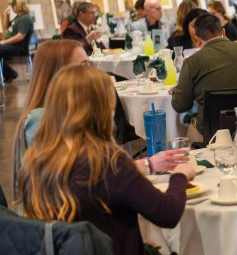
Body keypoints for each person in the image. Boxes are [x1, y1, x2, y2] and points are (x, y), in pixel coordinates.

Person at [18, 65, 194, 255]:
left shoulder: (37, 160)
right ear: (104, 108)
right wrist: (180, 176)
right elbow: (167, 214)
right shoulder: (109, 163)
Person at [12, 39, 188, 198]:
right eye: (83, 66)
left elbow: (98, 172)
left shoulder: (65, 114)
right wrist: (151, 166)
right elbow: (88, 176)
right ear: (61, 75)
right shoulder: (41, 120)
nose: (91, 71)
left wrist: (149, 164)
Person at [171, 13, 237, 135]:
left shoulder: (192, 62)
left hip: (209, 133)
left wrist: (176, 91)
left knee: (186, 131)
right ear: (223, 31)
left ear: (197, 37)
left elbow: (180, 105)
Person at [0, 0, 34, 82]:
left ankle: (10, 74)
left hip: (18, 47)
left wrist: (4, 42)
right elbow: (6, 27)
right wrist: (6, 15)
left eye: (14, 5)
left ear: (19, 6)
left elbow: (20, 36)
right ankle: (10, 74)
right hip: (10, 45)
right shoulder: (18, 17)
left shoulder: (25, 18)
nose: (12, 7)